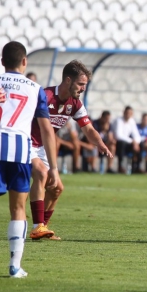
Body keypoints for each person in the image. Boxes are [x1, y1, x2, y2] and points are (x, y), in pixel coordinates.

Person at [0, 41, 61, 278]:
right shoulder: (35, 88)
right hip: (21, 153)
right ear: (24, 62)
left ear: (2, 62)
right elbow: (47, 130)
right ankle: (14, 267)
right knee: (18, 207)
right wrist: (55, 169)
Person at [28, 60, 113, 241]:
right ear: (68, 80)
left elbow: (88, 128)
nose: (83, 88)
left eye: (84, 85)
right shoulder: (44, 96)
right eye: (81, 84)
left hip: (43, 148)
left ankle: (43, 228)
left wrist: (100, 143)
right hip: (26, 143)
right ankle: (37, 227)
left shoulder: (74, 103)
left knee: (57, 188)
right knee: (42, 175)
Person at [112, 106, 141, 174]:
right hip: (119, 143)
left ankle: (136, 166)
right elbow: (119, 136)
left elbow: (137, 135)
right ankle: (120, 166)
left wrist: (136, 142)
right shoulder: (118, 120)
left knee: (141, 145)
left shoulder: (132, 121)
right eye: (127, 113)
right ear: (124, 112)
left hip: (129, 144)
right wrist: (132, 141)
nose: (128, 114)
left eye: (130, 113)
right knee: (122, 143)